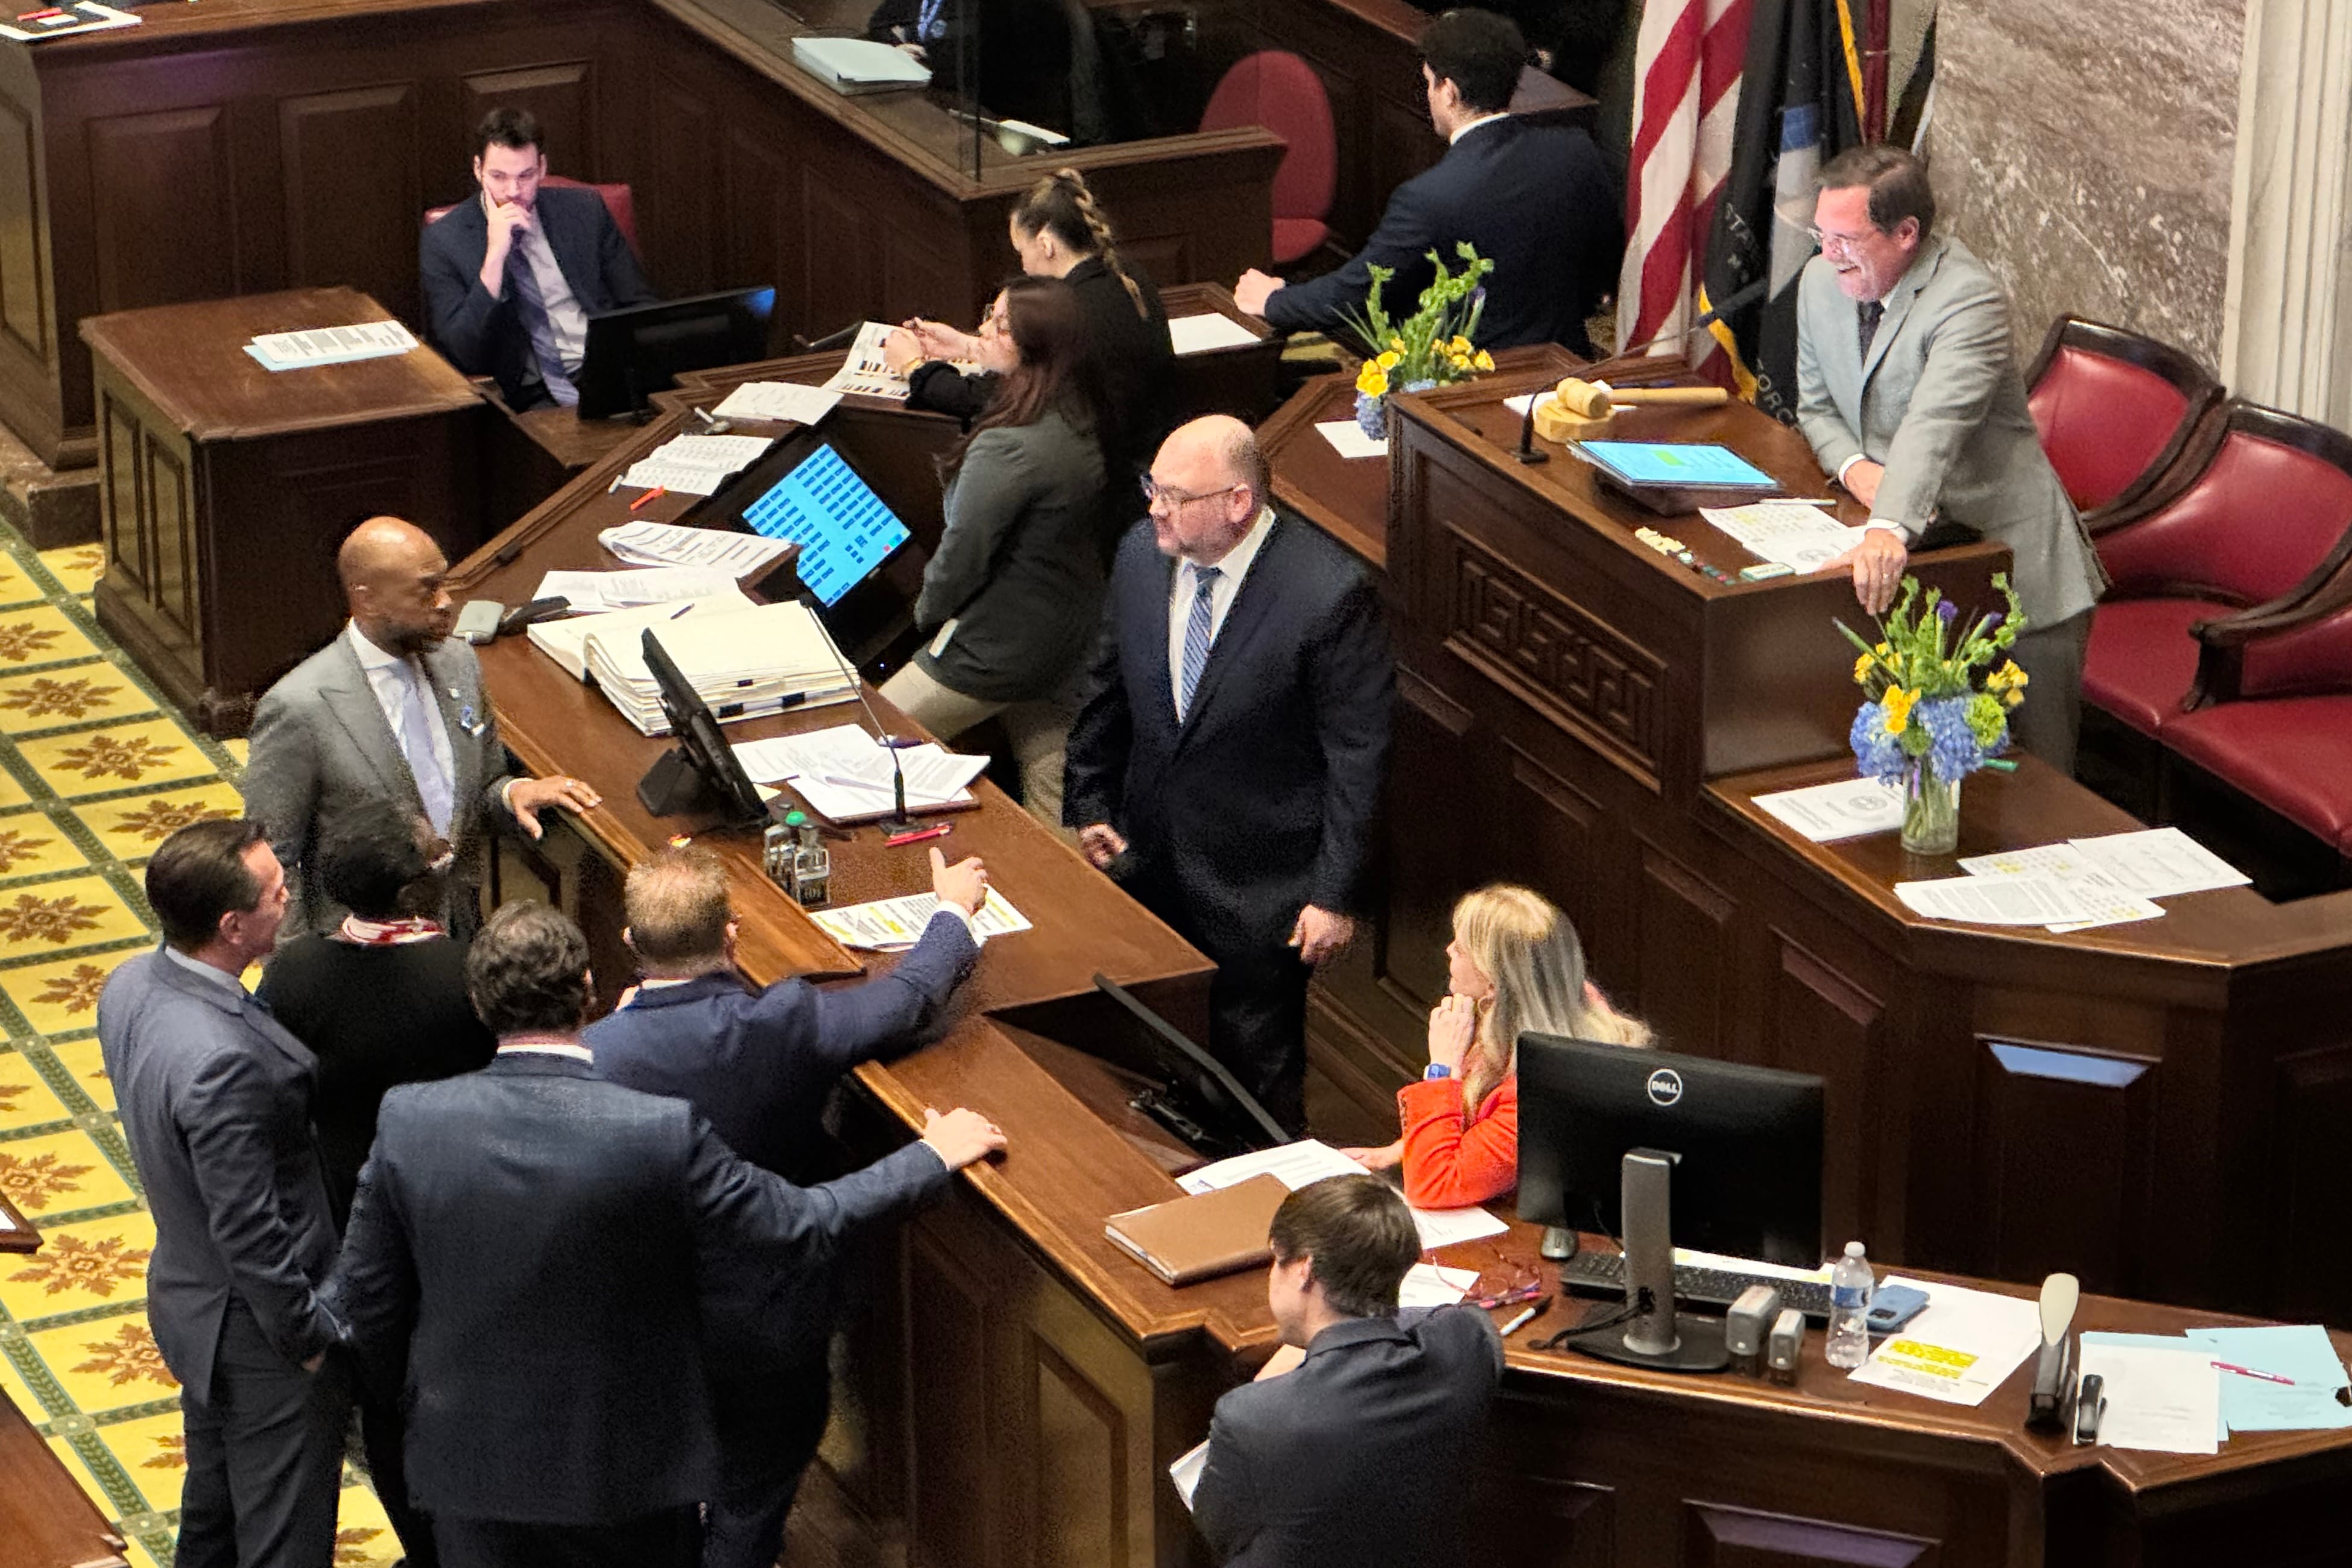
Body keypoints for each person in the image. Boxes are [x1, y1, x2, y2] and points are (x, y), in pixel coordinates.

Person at [327, 902, 1007, 1568]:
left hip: (470, 1462)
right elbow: (800, 1222)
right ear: (590, 988)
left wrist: (421, 1399)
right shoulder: (655, 1131)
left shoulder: (410, 1120)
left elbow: (363, 1302)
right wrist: (928, 1157)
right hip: (624, 1473)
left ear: (479, 1003)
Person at [586, 843, 985, 1568]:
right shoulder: (785, 1021)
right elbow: (910, 996)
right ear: (731, 933)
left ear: (629, 942)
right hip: (773, 1313)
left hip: (648, 1321)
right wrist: (952, 909)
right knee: (755, 1495)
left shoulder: (594, 1056)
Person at [1064, 415, 1394, 1133]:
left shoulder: (1328, 594)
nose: (1156, 506)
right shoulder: (1140, 554)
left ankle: (1273, 1200)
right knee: (1158, 1040)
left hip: (1263, 881)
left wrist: (1334, 896)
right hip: (1150, 854)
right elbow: (1108, 683)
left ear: (1237, 502)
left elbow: (1357, 756)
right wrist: (1091, 798)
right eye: (1153, 486)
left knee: (1258, 1069)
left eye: (1175, 494)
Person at [1800, 144, 2108, 772]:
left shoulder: (1968, 302)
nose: (1828, 255)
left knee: (2037, 781)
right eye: (1820, 235)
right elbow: (1817, 409)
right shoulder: (1820, 284)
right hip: (1919, 568)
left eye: (1846, 239)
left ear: (1906, 233)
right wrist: (1863, 477)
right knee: (1926, 775)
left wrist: (1886, 525)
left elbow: (1932, 425)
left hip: (2017, 581)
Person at [96, 819, 350, 1568]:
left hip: (191, 1296)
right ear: (233, 925)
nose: (290, 898)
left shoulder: (130, 984)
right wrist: (306, 1336)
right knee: (282, 1538)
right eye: (278, 893)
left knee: (213, 1520)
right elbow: (249, 1224)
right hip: (258, 1329)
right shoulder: (221, 1060)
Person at [242, 515, 601, 940]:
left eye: (444, 583)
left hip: (456, 934)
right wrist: (299, 973)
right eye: (427, 589)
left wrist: (511, 793)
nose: (446, 601)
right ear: (368, 599)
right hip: (357, 950)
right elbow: (271, 861)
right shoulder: (300, 706)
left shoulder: (459, 664)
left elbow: (479, 786)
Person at [1231, 8, 1620, 356]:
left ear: (1448, 91)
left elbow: (1361, 294)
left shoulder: (1429, 196)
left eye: (1429, 82)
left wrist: (1273, 301)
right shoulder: (1576, 152)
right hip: (1563, 369)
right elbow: (1604, 267)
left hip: (1470, 384)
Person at [877, 277, 1110, 826]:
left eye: (998, 324)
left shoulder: (1008, 447)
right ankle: (1070, 902)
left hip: (995, 650)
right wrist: (963, 349)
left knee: (871, 746)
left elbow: (961, 559)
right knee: (1053, 784)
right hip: (1068, 640)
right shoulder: (1083, 409)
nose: (983, 328)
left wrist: (925, 618)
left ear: (1030, 348)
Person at [1189, 1175, 1503, 1567]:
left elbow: (1216, 1530)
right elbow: (1447, 1317)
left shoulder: (1251, 1417)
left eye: (1276, 1259)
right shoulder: (1466, 1346)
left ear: (1304, 1269)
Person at [886, 166, 1176, 507]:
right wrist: (966, 346)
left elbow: (996, 400)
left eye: (1021, 251)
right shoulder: (1127, 275)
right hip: (1143, 460)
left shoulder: (1067, 314)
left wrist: (915, 367)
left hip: (1104, 493)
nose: (1023, 266)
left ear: (1046, 245)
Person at [1344, 885, 1648, 1207]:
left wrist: (1443, 1069)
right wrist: (1404, 1148)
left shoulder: (1539, 1090)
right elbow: (1472, 1115)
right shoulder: (1545, 1002)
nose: (1448, 950)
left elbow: (1436, 1186)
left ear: (1492, 982)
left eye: (1461, 949)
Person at [420, 106, 656, 411]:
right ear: (478, 169)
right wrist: (494, 257)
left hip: (607, 374)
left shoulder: (585, 212)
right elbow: (461, 353)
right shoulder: (445, 240)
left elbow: (642, 306)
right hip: (528, 394)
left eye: (526, 176)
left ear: (542, 168)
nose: (513, 191)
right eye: (498, 177)